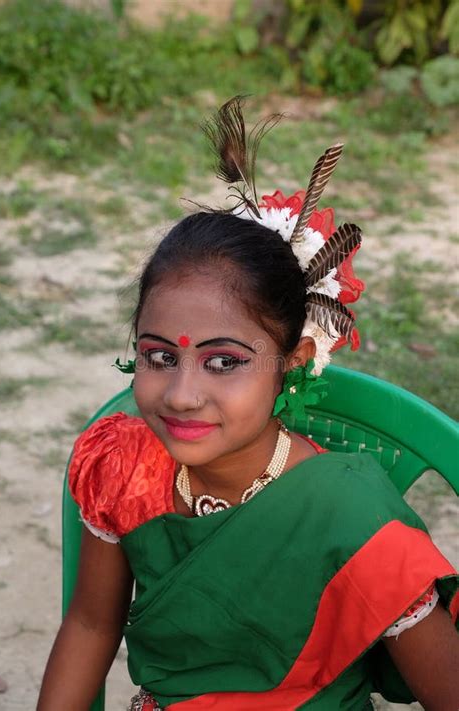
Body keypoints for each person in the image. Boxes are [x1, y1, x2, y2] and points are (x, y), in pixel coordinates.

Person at [38, 98, 459, 711]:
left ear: (291, 360)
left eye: (225, 361)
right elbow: (91, 627)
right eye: (159, 356)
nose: (182, 393)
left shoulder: (353, 515)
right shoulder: (124, 466)